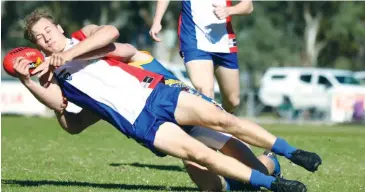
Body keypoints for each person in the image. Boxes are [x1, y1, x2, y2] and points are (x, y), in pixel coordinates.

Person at [16, 9, 322, 192]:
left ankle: (285, 156)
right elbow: (65, 113)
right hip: (140, 121)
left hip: (160, 92)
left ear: (58, 27)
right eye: (39, 38)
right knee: (208, 173)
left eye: (48, 31)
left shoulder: (84, 38)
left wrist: (68, 54)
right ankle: (270, 184)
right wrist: (27, 78)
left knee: (224, 122)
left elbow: (113, 37)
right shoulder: (51, 73)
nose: (46, 38)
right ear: (35, 46)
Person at [83, 40, 282, 191]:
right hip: (176, 128)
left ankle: (271, 162)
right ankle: (236, 181)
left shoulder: (136, 60)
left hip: (197, 114)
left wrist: (91, 48)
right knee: (212, 187)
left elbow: (124, 49)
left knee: (258, 174)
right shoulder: (106, 83)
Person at [150, 0, 253, 114]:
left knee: (233, 101)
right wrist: (157, 20)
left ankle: (221, 124)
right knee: (206, 92)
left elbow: (248, 6)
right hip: (193, 40)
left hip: (225, 43)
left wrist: (229, 10)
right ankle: (209, 129)